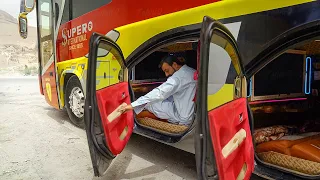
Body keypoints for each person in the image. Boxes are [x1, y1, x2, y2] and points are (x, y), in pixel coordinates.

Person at [118, 54, 197, 125]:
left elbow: (159, 93)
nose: (166, 74)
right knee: (162, 100)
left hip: (184, 117)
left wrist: (132, 105)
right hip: (194, 113)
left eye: (167, 70)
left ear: (175, 65)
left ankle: (134, 114)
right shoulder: (192, 71)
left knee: (152, 104)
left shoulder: (177, 78)